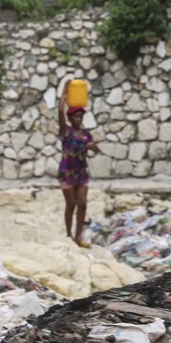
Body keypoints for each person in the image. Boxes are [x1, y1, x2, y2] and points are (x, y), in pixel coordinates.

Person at [57, 90, 99, 248]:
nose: (78, 119)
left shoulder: (86, 135)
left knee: (82, 204)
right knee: (71, 204)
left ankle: (78, 236)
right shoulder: (65, 131)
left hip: (81, 172)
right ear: (70, 118)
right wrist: (65, 93)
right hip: (67, 172)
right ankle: (68, 235)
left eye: (80, 116)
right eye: (75, 116)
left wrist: (93, 147)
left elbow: (95, 149)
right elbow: (60, 110)